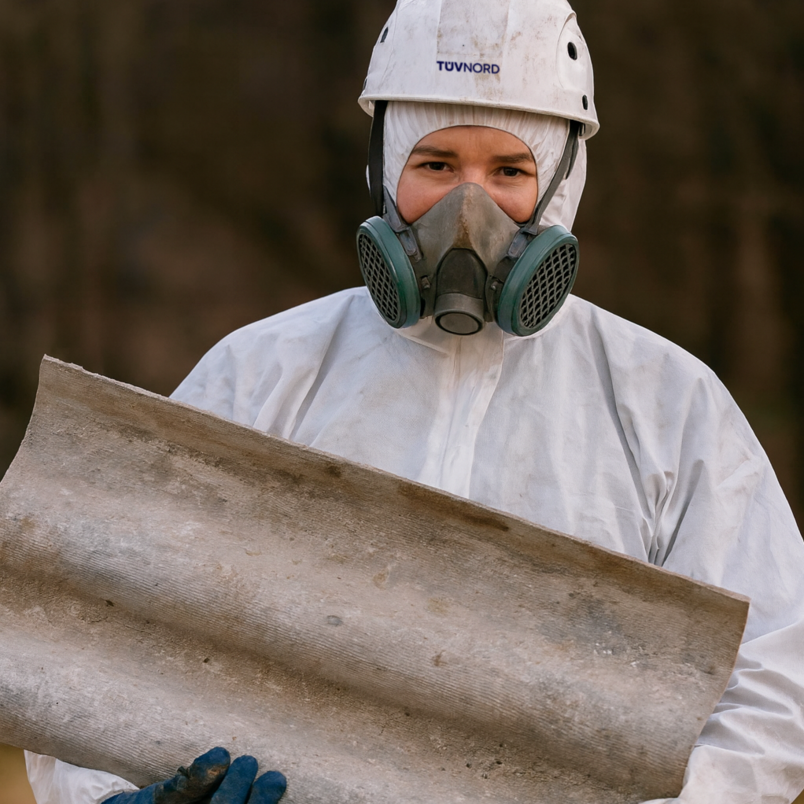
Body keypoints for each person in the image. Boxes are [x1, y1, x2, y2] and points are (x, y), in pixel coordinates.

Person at [25, 0, 804, 802]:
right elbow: (99, 618)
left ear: (563, 186)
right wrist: (105, 796)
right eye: (435, 164)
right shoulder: (262, 374)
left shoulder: (665, 403)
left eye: (509, 171)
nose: (469, 210)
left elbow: (776, 675)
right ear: (383, 168)